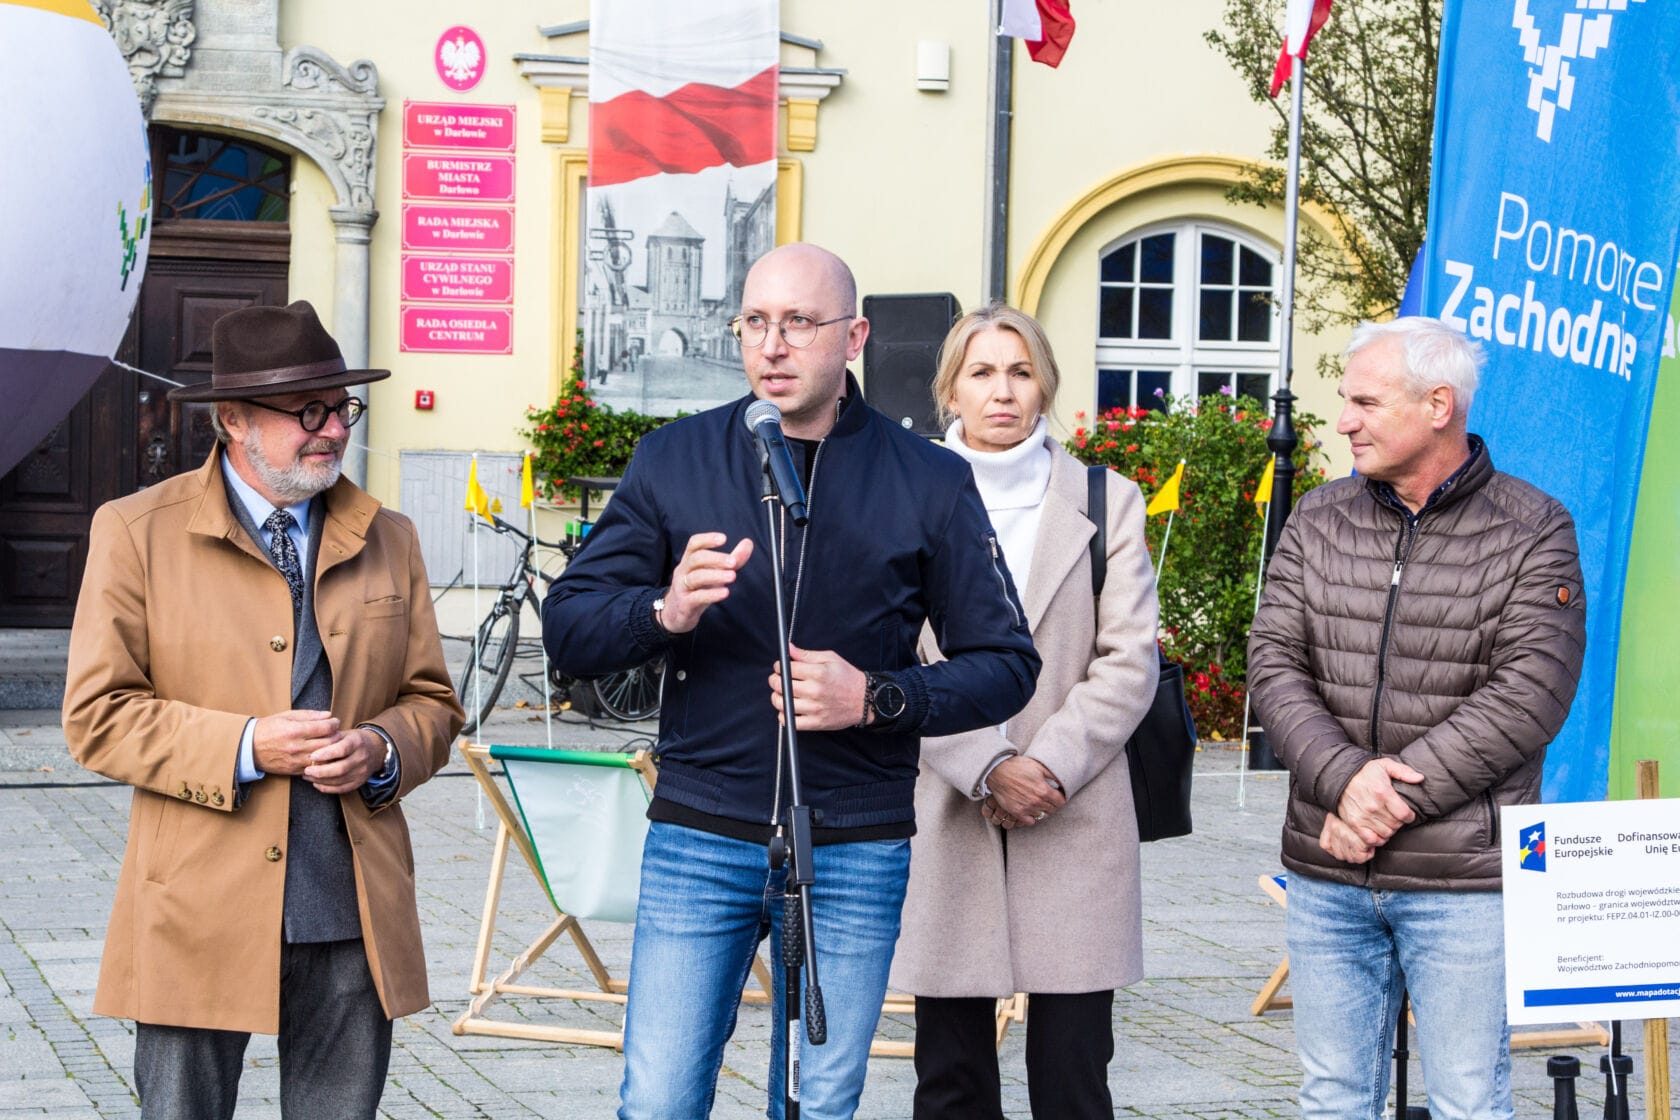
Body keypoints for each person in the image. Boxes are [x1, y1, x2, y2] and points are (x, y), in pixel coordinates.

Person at [543, 243, 1042, 1120]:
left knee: (819, 1105)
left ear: (854, 337)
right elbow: (570, 628)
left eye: (798, 324)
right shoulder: (675, 459)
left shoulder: (929, 478)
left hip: (854, 844)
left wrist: (880, 698)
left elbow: (1007, 665)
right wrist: (662, 614)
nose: (772, 345)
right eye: (755, 322)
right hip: (701, 834)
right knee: (658, 1100)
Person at [62, 300, 464, 1119]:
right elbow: (97, 714)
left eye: (341, 407)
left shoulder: (391, 536)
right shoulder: (137, 532)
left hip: (350, 906)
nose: (331, 430)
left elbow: (432, 702)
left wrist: (382, 750)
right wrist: (248, 744)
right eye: (305, 410)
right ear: (233, 419)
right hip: (195, 908)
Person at [1247, 316, 1586, 1120]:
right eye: (1344, 401)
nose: (1343, 421)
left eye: (1365, 401)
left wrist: (1378, 801)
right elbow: (1273, 665)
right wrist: (1342, 784)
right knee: (1332, 1099)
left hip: (1462, 879)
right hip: (1328, 873)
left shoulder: (1535, 528)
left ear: (1439, 405)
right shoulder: (1318, 519)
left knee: (1470, 1099)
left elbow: (1529, 694)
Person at [890, 303, 1160, 1119]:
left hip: (1072, 805)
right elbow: (894, 657)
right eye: (981, 372)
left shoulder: (1107, 500)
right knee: (950, 1079)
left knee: (1075, 1076)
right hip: (946, 803)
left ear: (1045, 384)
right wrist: (987, 766)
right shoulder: (900, 494)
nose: (1002, 391)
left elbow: (1128, 657)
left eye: (1019, 370)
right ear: (951, 390)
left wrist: (1045, 767)